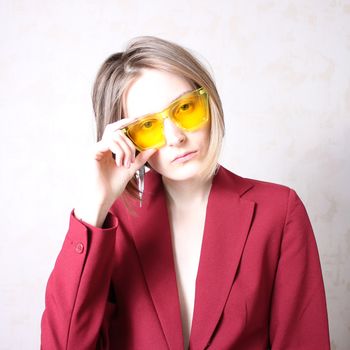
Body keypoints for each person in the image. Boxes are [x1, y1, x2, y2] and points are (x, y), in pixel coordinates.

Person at [41, 36, 330, 349]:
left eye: (186, 108)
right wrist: (94, 205)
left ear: (210, 102)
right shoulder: (112, 225)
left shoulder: (278, 211)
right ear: (127, 138)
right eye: (148, 126)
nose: (175, 137)